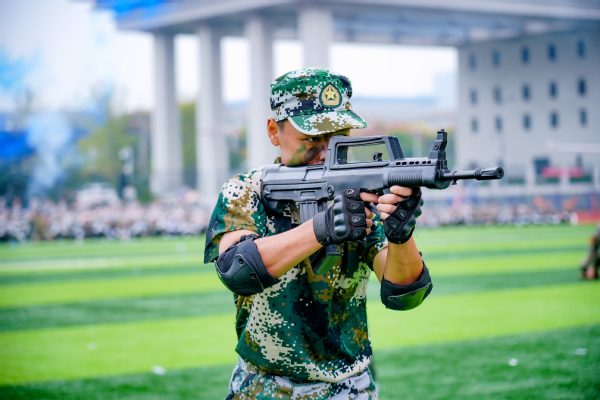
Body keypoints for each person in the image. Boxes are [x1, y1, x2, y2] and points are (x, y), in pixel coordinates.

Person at [204, 68, 432, 400]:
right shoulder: (246, 190)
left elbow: (405, 295)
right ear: (274, 131)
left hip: (351, 388)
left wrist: (401, 236)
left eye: (339, 137)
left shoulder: (359, 195)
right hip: (265, 389)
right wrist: (322, 227)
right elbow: (236, 270)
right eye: (312, 139)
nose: (326, 151)